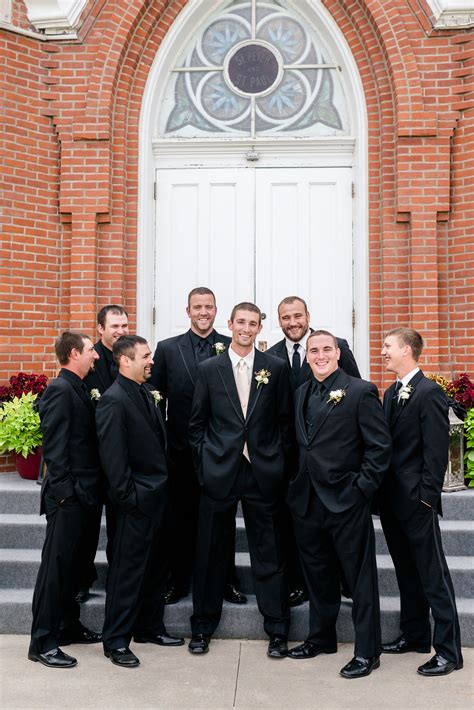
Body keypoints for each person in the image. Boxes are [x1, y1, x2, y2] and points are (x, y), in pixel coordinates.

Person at [188, 302, 295, 658]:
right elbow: (196, 425)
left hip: (262, 472)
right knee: (210, 552)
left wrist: (277, 463)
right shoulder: (209, 369)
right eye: (241, 322)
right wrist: (205, 466)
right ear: (230, 324)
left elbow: (284, 422)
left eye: (253, 323)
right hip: (219, 470)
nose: (246, 328)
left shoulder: (275, 369)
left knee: (269, 552)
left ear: (259, 328)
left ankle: (278, 629)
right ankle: (202, 627)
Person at [287, 330, 391, 678]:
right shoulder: (301, 392)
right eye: (313, 350)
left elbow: (379, 448)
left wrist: (361, 489)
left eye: (326, 349)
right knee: (318, 576)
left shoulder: (360, 391)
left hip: (346, 500)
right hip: (308, 501)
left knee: (359, 579)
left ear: (338, 352)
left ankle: (368, 651)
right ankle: (321, 638)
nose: (319, 355)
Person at [150, 287, 245, 605]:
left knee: (222, 520)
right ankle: (177, 581)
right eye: (197, 307)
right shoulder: (167, 349)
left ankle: (226, 581)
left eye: (209, 307)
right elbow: (155, 400)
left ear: (217, 311)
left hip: (221, 452)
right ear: (187, 310)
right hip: (180, 452)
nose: (203, 312)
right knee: (179, 519)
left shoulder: (230, 347)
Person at [378, 327, 463, 676]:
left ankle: (449, 652)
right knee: (407, 573)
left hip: (417, 502)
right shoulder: (391, 392)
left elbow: (435, 451)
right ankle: (413, 634)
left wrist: (427, 499)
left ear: (407, 350)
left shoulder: (428, 393)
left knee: (433, 577)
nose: (383, 352)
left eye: (387, 346)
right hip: (392, 502)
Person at [95, 335, 183, 667]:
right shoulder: (113, 401)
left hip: (158, 501)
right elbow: (114, 462)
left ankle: (149, 627)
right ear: (125, 361)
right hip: (135, 505)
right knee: (126, 574)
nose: (152, 361)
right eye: (145, 356)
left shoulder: (145, 393)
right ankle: (116, 640)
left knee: (156, 569)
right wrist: (130, 501)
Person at [267, 296, 360, 606]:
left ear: (308, 315)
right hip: (292, 460)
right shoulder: (272, 355)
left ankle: (345, 582)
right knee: (295, 526)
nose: (292, 322)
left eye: (297, 316)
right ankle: (299, 583)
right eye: (286, 318)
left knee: (334, 525)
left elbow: (354, 396)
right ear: (278, 321)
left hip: (331, 461)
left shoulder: (336, 346)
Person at [28, 332, 103, 668]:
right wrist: (64, 495)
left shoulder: (79, 387)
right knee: (55, 571)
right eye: (91, 350)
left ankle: (67, 626)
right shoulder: (60, 390)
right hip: (67, 499)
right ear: (75, 353)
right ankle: (42, 642)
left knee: (74, 570)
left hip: (84, 495)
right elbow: (55, 450)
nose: (96, 356)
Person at [77, 305, 129, 602]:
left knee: (121, 527)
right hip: (94, 461)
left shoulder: (132, 356)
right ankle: (82, 580)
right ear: (100, 328)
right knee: (86, 527)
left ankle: (116, 579)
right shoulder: (88, 359)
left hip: (123, 462)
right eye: (115, 326)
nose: (121, 331)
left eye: (124, 325)